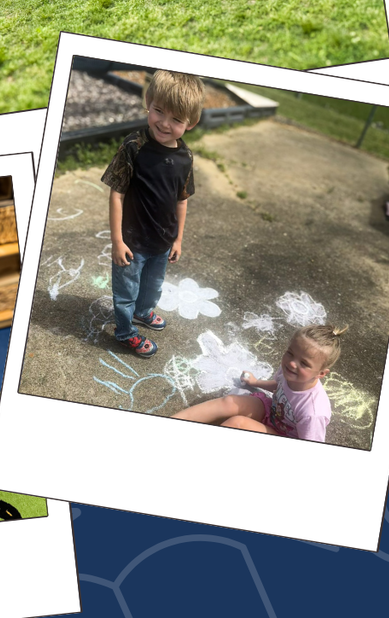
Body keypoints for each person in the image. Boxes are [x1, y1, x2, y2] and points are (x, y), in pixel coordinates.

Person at [101, 70, 205, 357]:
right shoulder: (134, 147)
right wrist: (117, 240)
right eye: (159, 111)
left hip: (162, 242)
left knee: (152, 287)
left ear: (191, 123)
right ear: (148, 101)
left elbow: (181, 200)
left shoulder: (185, 157)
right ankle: (124, 332)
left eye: (176, 119)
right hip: (132, 242)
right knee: (125, 294)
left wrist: (178, 239)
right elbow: (117, 193)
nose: (164, 123)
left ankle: (143, 312)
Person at [171, 325, 346, 442]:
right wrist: (255, 382)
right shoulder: (290, 371)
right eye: (290, 353)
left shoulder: (313, 413)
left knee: (238, 423)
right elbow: (278, 386)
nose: (292, 363)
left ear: (321, 374)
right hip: (273, 412)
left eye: (304, 363)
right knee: (229, 402)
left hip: (285, 434)